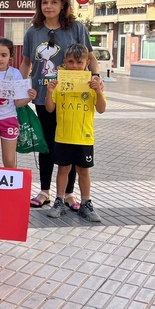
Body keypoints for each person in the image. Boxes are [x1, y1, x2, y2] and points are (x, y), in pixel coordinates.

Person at [20, 0, 103, 210]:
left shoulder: (76, 28)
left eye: (54, 2)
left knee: (70, 145)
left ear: (63, 4)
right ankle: (45, 191)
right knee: (47, 145)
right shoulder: (32, 31)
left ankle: (68, 194)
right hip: (43, 97)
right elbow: (27, 62)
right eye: (44, 2)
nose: (49, 6)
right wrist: (17, 88)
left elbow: (91, 58)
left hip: (73, 98)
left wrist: (96, 76)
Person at [44, 43, 106, 222]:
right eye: (70, 62)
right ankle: (59, 200)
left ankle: (86, 203)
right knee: (63, 169)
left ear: (87, 63)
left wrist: (98, 92)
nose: (75, 66)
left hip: (84, 137)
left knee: (84, 171)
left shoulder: (92, 85)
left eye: (79, 62)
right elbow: (49, 109)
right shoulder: (60, 84)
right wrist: (49, 92)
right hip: (63, 136)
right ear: (64, 62)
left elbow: (101, 109)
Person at [0, 38, 37, 168]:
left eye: (4, 55)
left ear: (10, 57)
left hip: (9, 119)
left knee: (9, 161)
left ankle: (10, 188)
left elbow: (17, 103)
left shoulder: (15, 74)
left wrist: (29, 98)